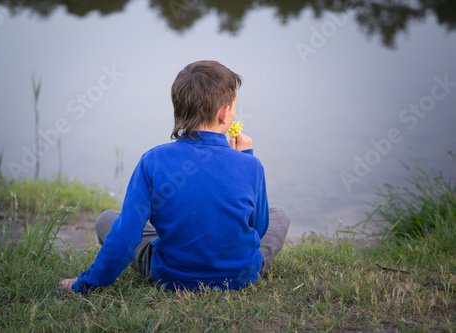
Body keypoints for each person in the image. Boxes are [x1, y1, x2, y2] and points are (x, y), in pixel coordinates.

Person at [59, 60, 290, 293]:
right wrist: (245, 156)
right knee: (279, 216)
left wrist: (85, 283)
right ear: (223, 113)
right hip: (241, 277)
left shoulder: (152, 160)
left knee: (108, 220)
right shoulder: (251, 165)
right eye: (233, 108)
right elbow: (257, 230)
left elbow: (125, 237)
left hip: (172, 278)